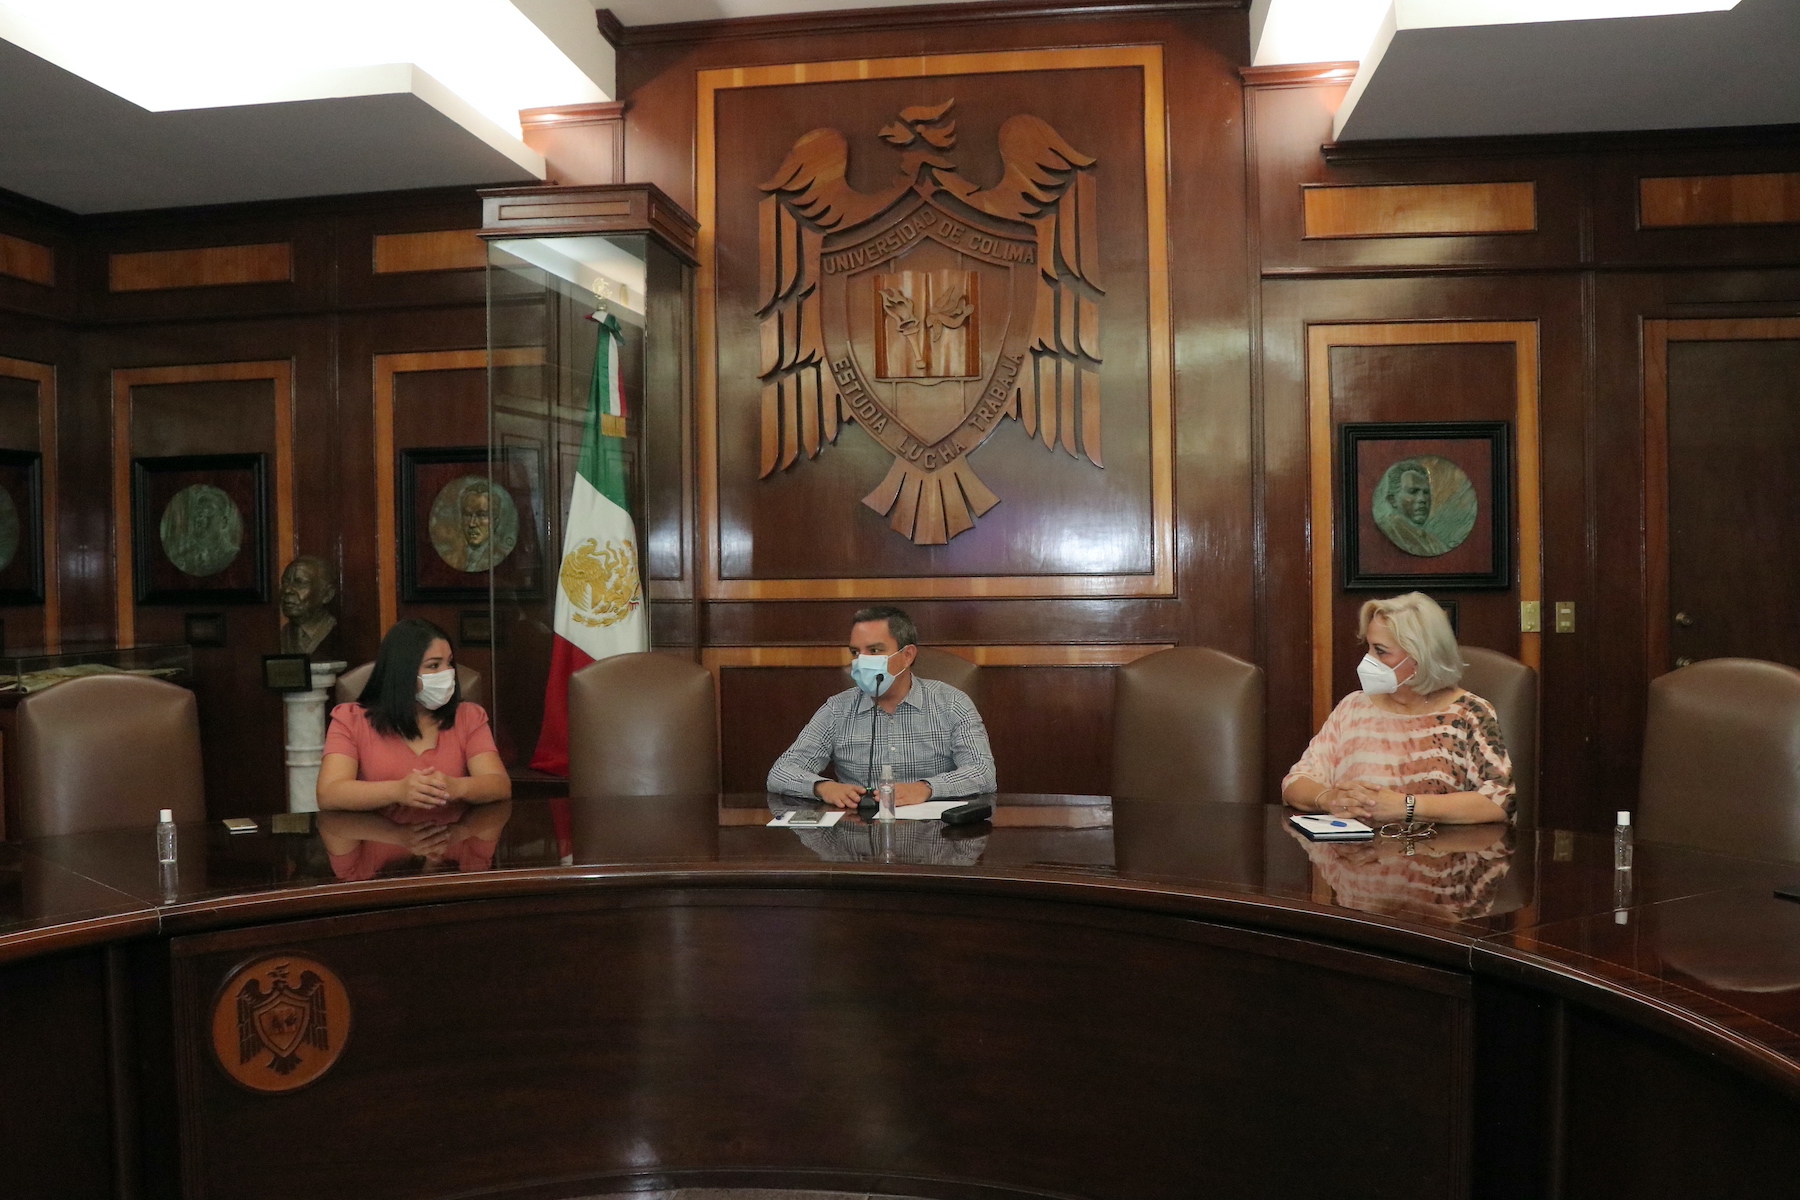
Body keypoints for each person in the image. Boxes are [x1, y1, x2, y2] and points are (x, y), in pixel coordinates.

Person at [1283, 592, 1514, 825]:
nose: (1367, 659)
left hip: (1440, 845)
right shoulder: (1353, 707)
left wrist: (1406, 807)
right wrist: (1327, 799)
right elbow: (1295, 783)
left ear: (1420, 657)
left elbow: (1500, 801)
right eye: (1369, 647)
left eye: (1380, 651)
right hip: (1355, 845)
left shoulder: (1469, 713)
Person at [767, 605, 996, 807]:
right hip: (858, 831)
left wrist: (926, 788)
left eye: (875, 651)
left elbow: (982, 772)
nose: (862, 661)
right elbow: (781, 772)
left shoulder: (952, 703)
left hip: (936, 831)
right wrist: (822, 787)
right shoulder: (837, 709)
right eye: (856, 652)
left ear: (907, 655)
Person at [317, 618, 511, 814]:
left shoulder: (469, 716)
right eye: (434, 666)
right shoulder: (350, 719)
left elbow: (499, 785)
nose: (448, 673)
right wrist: (397, 791)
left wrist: (456, 788)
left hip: (453, 831)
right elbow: (329, 794)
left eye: (449, 662)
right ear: (402, 672)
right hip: (375, 831)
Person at [1374, 460, 1449, 557]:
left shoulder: (1436, 544)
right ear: (1393, 500)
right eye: (1413, 491)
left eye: (1426, 492)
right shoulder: (1386, 532)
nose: (1423, 499)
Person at [278, 555, 339, 654]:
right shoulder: (279, 636)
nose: (287, 590)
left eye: (300, 583)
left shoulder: (340, 635)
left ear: (327, 594)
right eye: (284, 582)